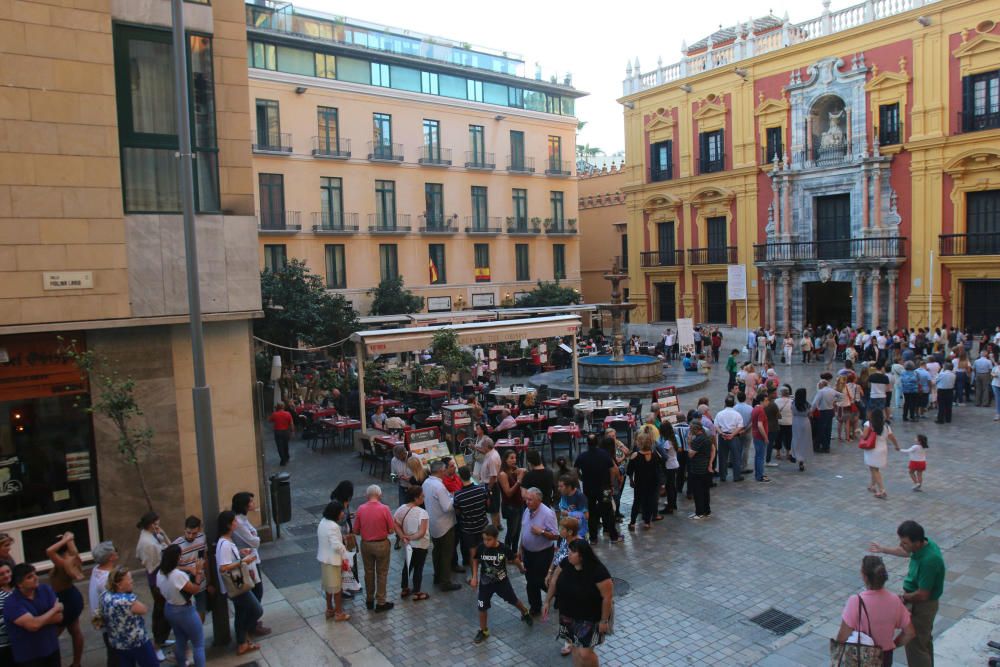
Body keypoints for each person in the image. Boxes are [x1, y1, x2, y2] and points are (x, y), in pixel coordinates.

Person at [869, 520, 946, 667]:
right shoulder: (923, 546)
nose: (901, 545)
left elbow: (923, 594)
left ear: (917, 542)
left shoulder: (929, 561)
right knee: (923, 642)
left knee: (915, 646)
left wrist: (903, 598)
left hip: (922, 605)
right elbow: (905, 552)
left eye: (904, 543)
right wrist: (883, 549)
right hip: (917, 600)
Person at [543, 539, 614, 667]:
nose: (568, 555)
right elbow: (554, 580)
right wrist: (547, 601)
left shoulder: (598, 571)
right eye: (568, 552)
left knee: (585, 653)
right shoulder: (566, 563)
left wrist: (604, 621)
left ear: (582, 556)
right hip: (568, 615)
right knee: (575, 649)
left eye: (572, 553)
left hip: (590, 618)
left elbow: (607, 597)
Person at [835, 556, 915, 666]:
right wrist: (893, 645)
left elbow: (842, 636)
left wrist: (837, 658)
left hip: (861, 655)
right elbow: (910, 633)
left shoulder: (856, 601)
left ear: (865, 577)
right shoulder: (895, 600)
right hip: (885, 656)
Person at [470, 525, 533, 645]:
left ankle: (525, 612)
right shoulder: (481, 548)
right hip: (485, 584)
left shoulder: (504, 549)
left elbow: (514, 559)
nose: (486, 542)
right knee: (481, 607)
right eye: (484, 539)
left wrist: (521, 569)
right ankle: (483, 631)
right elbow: (475, 560)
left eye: (489, 539)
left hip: (502, 583)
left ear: (496, 538)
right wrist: (474, 577)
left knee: (513, 600)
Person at [216, 510, 263, 656]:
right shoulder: (224, 544)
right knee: (256, 610)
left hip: (238, 582)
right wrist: (243, 561)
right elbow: (223, 567)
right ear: (229, 525)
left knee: (241, 613)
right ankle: (244, 636)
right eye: (234, 522)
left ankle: (243, 641)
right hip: (237, 585)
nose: (236, 523)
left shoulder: (227, 541)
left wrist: (240, 553)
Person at [3, 563, 63, 667]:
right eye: (29, 577)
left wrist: (38, 620)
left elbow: (59, 617)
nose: (35, 578)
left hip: (52, 649)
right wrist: (54, 610)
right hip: (29, 656)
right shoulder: (12, 603)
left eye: (35, 574)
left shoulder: (45, 589)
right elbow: (33, 626)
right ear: (19, 584)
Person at [157, 544, 206, 667]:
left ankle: (181, 664)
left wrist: (189, 570)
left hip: (169, 607)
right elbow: (195, 589)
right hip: (184, 610)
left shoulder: (160, 573)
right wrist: (198, 572)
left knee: (180, 639)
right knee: (198, 643)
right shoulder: (177, 576)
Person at [99, 567, 157, 666]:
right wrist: (130, 593)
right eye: (129, 579)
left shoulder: (105, 595)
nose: (132, 581)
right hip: (137, 642)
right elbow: (144, 609)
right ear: (119, 584)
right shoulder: (127, 600)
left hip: (118, 643)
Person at [354, 484, 398, 610]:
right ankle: (381, 601)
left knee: (368, 572)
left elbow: (356, 531)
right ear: (380, 495)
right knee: (382, 573)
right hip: (382, 544)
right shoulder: (385, 509)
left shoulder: (361, 509)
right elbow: (391, 530)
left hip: (366, 545)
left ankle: (369, 599)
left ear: (367, 495)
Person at [232, 492, 270, 636]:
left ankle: (252, 623)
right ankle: (250, 625)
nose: (254, 504)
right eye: (251, 502)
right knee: (256, 592)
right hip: (247, 563)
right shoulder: (239, 523)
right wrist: (255, 538)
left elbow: (254, 538)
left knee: (257, 591)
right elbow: (254, 541)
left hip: (253, 559)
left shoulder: (243, 519)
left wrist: (255, 538)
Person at [44, 532, 85, 667]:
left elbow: (49, 551)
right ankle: (76, 663)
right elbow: (73, 550)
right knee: (75, 630)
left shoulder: (62, 563)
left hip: (66, 600)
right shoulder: (72, 558)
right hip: (72, 597)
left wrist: (66, 539)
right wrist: (69, 539)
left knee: (50, 637)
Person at [134, 511, 170, 660]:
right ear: (150, 525)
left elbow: (168, 545)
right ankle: (157, 645)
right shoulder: (147, 542)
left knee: (161, 611)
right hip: (157, 581)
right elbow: (155, 562)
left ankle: (161, 639)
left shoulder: (152, 535)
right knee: (162, 612)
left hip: (159, 578)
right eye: (156, 524)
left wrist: (163, 534)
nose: (158, 526)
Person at [574, 436, 623, 545]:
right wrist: (610, 483)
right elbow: (611, 470)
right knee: (608, 511)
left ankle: (593, 538)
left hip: (588, 490)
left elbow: (576, 470)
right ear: (597, 442)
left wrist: (581, 477)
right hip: (605, 488)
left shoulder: (582, 456)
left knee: (591, 512)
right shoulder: (604, 455)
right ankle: (613, 536)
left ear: (587, 443)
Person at [422, 462, 461, 592]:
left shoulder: (426, 483)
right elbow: (448, 507)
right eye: (444, 469)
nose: (445, 472)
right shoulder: (439, 486)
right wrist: (454, 497)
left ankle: (437, 576)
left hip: (433, 523)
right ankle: (445, 582)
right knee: (446, 553)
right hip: (444, 524)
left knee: (437, 551)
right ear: (439, 471)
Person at [519, 487, 559, 616]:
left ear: (539, 500)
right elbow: (524, 529)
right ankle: (535, 607)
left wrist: (541, 532)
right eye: (526, 499)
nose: (527, 502)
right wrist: (521, 547)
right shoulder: (527, 510)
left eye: (530, 500)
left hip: (542, 554)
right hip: (528, 553)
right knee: (530, 581)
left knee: (539, 581)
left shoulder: (548, 514)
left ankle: (559, 594)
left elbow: (555, 535)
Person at [394, 487, 430, 602]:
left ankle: (404, 588)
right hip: (420, 545)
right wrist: (410, 537)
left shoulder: (401, 509)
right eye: (422, 496)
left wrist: (403, 537)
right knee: (418, 568)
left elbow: (395, 524)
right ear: (416, 497)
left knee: (408, 566)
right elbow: (422, 532)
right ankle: (417, 592)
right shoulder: (422, 512)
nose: (423, 498)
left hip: (408, 545)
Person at [317, 500, 351, 621]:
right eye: (341, 511)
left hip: (324, 560)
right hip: (333, 561)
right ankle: (338, 613)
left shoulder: (323, 522)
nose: (343, 513)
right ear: (335, 512)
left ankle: (329, 609)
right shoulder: (333, 526)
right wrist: (344, 551)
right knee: (337, 589)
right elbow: (336, 545)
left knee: (328, 587)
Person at [171, 516, 208, 623]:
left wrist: (209, 581)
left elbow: (205, 559)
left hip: (201, 582)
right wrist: (188, 568)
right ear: (184, 529)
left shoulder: (202, 538)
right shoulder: (177, 545)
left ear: (199, 530)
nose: (191, 536)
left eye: (194, 533)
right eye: (188, 533)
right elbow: (171, 567)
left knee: (201, 611)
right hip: (185, 585)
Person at [453, 465, 490, 572]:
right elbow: (487, 504)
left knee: (473, 552)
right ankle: (488, 571)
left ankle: (474, 575)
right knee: (485, 550)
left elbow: (458, 512)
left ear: (460, 477)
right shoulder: (481, 489)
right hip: (483, 525)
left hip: (468, 529)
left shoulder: (458, 495)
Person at [87, 541, 117, 667]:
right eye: (115, 551)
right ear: (110, 557)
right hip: (111, 622)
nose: (117, 552)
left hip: (102, 618)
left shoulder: (96, 569)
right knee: (115, 655)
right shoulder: (107, 578)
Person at [625, 430, 663, 530]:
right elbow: (659, 468)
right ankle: (647, 522)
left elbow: (629, 470)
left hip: (640, 483)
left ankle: (632, 523)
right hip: (652, 483)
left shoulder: (635, 455)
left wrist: (631, 480)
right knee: (649, 502)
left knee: (637, 502)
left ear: (639, 443)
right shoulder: (655, 455)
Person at [861, 408, 897, 499]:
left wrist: (859, 432)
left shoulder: (868, 424)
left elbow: (864, 436)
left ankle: (882, 490)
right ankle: (872, 485)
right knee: (874, 468)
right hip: (883, 449)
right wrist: (896, 446)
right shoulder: (886, 425)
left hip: (872, 449)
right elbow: (892, 437)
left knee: (874, 469)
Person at [498, 449, 525, 553]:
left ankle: (513, 552)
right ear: (505, 460)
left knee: (517, 531)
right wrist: (519, 481)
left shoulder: (514, 470)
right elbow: (508, 493)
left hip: (519, 504)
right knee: (511, 531)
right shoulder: (503, 474)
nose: (514, 460)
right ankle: (507, 552)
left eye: (515, 458)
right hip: (510, 506)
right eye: (511, 458)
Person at [476, 424, 502, 529]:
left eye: (483, 446)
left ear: (487, 447)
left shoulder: (491, 458)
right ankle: (499, 525)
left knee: (493, 509)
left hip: (492, 485)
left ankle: (495, 528)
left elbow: (493, 476)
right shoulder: (492, 453)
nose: (482, 448)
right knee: (495, 508)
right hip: (491, 485)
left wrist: (489, 489)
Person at [687, 419, 714, 519]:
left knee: (697, 491)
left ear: (694, 429)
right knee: (705, 491)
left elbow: (690, 454)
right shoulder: (706, 437)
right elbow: (713, 449)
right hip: (705, 467)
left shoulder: (697, 440)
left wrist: (689, 443)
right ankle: (707, 510)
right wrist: (710, 463)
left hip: (698, 469)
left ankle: (699, 512)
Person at [713, 395, 743, 483]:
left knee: (722, 457)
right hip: (734, 437)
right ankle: (736, 476)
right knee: (736, 457)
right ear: (733, 403)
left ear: (725, 403)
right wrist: (733, 434)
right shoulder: (737, 414)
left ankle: (723, 476)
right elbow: (740, 426)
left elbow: (716, 426)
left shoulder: (720, 413)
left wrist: (721, 433)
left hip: (723, 437)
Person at [811, 379, 842, 452]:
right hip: (830, 411)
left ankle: (819, 446)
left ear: (821, 385)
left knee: (821, 429)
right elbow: (841, 396)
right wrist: (835, 402)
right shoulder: (832, 390)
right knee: (828, 429)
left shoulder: (821, 392)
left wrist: (811, 411)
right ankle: (827, 446)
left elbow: (815, 403)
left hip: (822, 412)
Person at [750, 394, 772, 483]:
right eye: (766, 400)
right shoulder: (761, 410)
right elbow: (760, 425)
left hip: (755, 435)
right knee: (760, 457)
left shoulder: (755, 408)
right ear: (762, 401)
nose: (768, 402)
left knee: (758, 456)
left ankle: (758, 474)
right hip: (760, 437)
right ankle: (760, 476)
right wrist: (766, 437)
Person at [790, 389, 813, 472]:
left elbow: (792, 411)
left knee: (796, 439)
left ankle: (796, 455)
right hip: (805, 422)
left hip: (796, 422)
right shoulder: (807, 404)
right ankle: (802, 459)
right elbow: (810, 414)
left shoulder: (793, 403)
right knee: (804, 441)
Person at [0, 562, 12, 666]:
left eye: (8, 571)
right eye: (1, 574)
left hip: (14, 642)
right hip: (3, 645)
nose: (6, 575)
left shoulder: (15, 590)